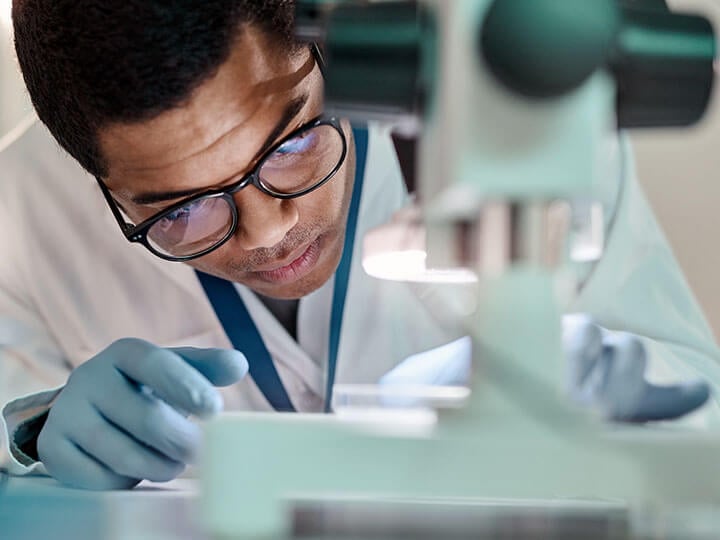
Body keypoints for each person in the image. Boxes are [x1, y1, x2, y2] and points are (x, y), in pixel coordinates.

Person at [1, 0, 718, 490]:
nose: (270, 230)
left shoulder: (526, 116)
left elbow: (702, 405)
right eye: (182, 212)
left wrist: (602, 399)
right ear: (95, 180)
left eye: (295, 144)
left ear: (331, 53)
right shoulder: (23, 211)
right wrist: (31, 434)